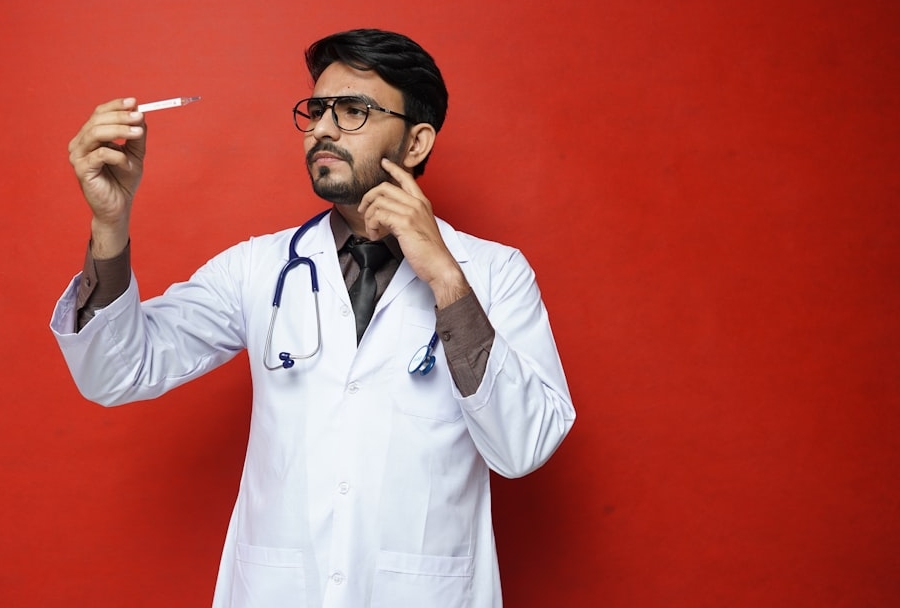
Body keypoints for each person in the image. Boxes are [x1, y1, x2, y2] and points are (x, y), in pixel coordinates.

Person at [51, 28, 575, 608]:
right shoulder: (258, 267)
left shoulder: (495, 273)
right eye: (317, 110)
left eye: (354, 110)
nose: (322, 128)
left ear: (416, 142)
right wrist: (109, 225)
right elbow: (114, 373)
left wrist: (448, 282)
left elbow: (525, 446)